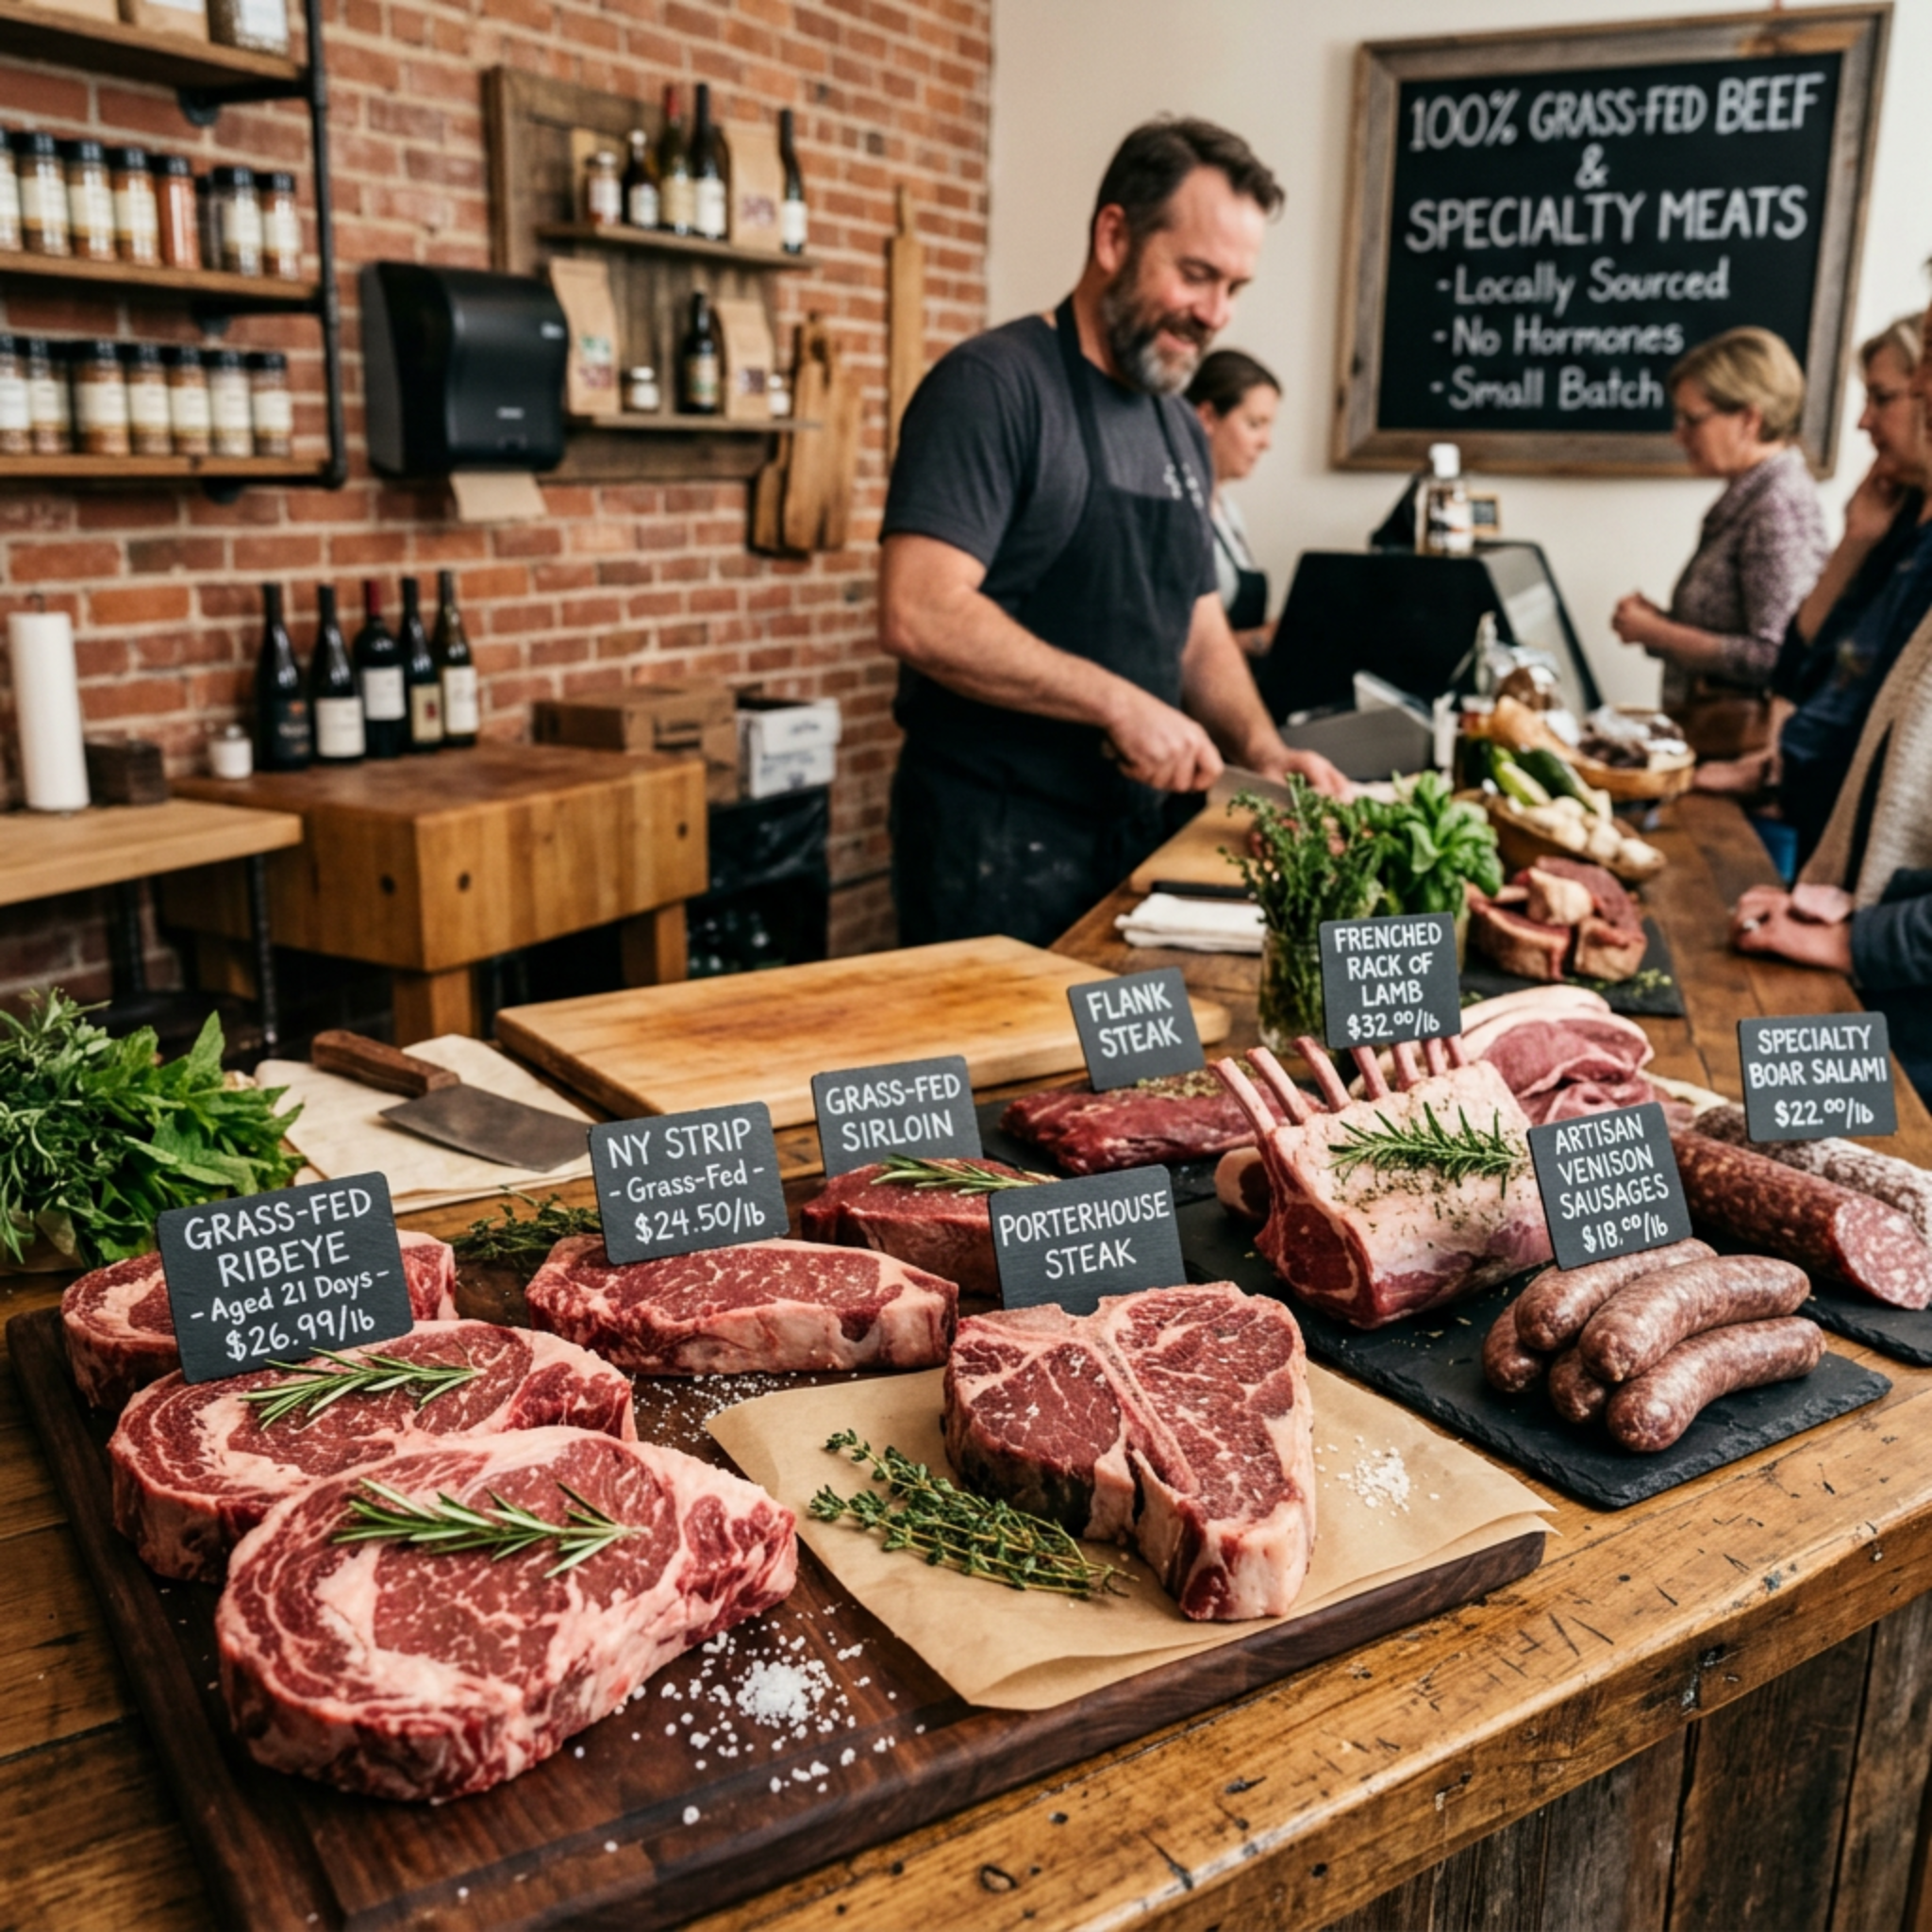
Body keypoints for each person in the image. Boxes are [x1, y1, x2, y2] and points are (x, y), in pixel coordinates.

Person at [877, 118, 1345, 948]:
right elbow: (920, 609)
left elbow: (1196, 627)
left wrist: (1264, 750)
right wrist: (1117, 703)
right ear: (1113, 235)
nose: (1216, 315)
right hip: (997, 849)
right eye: (1197, 276)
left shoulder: (1173, 421)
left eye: (1235, 287)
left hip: (1137, 843)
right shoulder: (993, 387)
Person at [1698, 311, 1932, 867]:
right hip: (1822, 831)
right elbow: (1800, 667)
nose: (1863, 423)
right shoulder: (1895, 525)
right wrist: (1853, 544)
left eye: (1882, 398)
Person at [1610, 326, 1828, 759]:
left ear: (1750, 419)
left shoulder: (1777, 505)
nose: (1679, 435)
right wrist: (1662, 624)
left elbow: (1775, 656)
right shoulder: (1753, 495)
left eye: (1693, 419)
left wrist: (1659, 631)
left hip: (1740, 758)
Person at [1187, 348, 1281, 654]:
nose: (1266, 442)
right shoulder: (1178, 509)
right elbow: (1172, 646)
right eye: (1255, 424)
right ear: (1207, 417)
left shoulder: (1230, 513)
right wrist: (1260, 639)